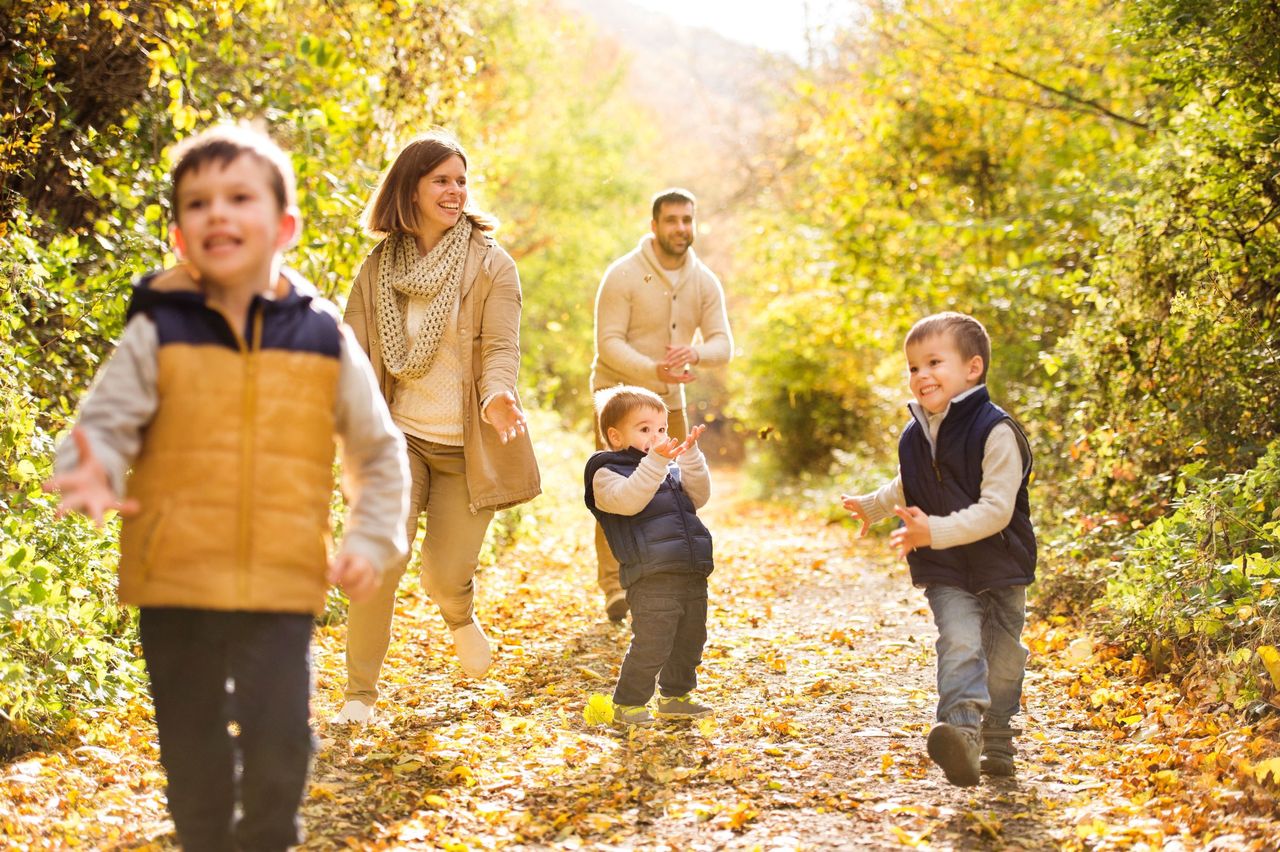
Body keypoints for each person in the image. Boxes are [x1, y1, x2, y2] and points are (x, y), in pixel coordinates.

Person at [44, 124, 409, 850]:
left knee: (280, 743)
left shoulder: (322, 336)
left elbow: (376, 450)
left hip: (281, 576)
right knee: (192, 743)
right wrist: (88, 467)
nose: (217, 213)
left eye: (238, 197)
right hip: (174, 574)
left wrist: (371, 537)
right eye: (197, 203)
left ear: (284, 227)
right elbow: (106, 420)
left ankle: (268, 836)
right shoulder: (159, 327)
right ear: (179, 237)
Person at [333, 130, 541, 725]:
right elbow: (348, 350)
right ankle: (359, 695)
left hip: (467, 445)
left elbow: (502, 347)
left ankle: (458, 613)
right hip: (398, 440)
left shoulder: (492, 265)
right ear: (412, 188)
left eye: (460, 181)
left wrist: (499, 395)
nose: (455, 192)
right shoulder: (378, 269)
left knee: (445, 575)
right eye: (441, 180)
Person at [839, 312, 1035, 786]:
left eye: (933, 362)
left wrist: (934, 532)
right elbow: (911, 483)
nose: (921, 375)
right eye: (912, 367)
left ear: (972, 368)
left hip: (999, 561)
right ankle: (962, 734)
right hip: (946, 567)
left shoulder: (997, 431)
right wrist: (873, 506)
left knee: (1004, 657)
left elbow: (996, 510)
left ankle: (998, 734)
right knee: (960, 642)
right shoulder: (915, 433)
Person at [590, 188, 732, 621]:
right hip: (616, 397)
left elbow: (723, 344)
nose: (680, 228)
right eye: (671, 220)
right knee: (614, 490)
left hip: (668, 401)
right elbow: (608, 343)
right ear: (654, 225)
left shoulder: (704, 280)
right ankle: (614, 586)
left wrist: (694, 355)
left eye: (687, 220)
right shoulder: (623, 274)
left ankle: (653, 579)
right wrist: (655, 370)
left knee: (669, 492)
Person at [585, 386, 716, 726]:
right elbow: (631, 501)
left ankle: (676, 696)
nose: (656, 437)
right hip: (650, 575)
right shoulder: (606, 472)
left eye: (661, 429)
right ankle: (628, 703)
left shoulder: (666, 470)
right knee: (653, 642)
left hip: (688, 570)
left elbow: (699, 497)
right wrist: (657, 461)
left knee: (690, 638)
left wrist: (689, 457)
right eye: (644, 429)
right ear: (615, 436)